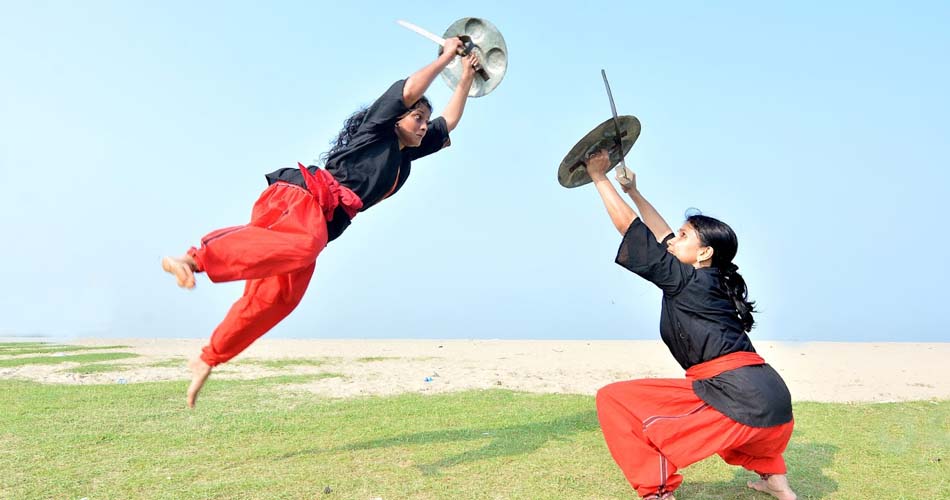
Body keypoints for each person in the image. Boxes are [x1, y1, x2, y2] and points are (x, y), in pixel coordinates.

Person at [161, 39, 480, 408]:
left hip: (320, 227)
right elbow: (409, 90)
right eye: (416, 117)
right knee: (303, 246)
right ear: (396, 118)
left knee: (278, 299)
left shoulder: (404, 157)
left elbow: (449, 122)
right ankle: (193, 260)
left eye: (425, 120)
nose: (423, 125)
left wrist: (465, 77)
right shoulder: (376, 130)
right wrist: (445, 57)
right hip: (301, 199)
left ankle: (209, 357)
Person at [584, 150, 797, 500]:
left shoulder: (687, 281)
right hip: (773, 399)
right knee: (738, 419)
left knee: (615, 400)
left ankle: (657, 492)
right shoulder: (711, 280)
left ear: (703, 253)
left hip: (740, 396)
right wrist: (633, 192)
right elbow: (661, 235)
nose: (673, 240)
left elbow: (631, 230)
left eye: (684, 236)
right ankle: (776, 481)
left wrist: (598, 177)